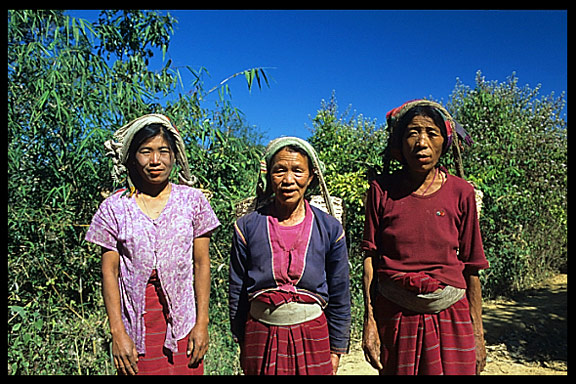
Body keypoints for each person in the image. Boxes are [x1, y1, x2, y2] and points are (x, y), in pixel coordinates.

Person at [85, 114, 220, 375]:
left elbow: (202, 264)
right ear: (132, 158)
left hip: (184, 322)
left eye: (163, 151)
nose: (155, 160)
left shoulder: (193, 201)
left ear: (174, 156)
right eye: (146, 151)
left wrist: (202, 323)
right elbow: (109, 273)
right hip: (137, 325)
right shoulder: (114, 208)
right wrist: (118, 333)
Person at [361, 100, 489, 375]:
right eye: (412, 133)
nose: (421, 142)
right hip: (395, 315)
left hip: (450, 316)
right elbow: (370, 258)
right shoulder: (381, 191)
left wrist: (478, 333)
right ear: (399, 141)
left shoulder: (461, 192)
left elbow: (472, 266)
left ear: (445, 141)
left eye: (432, 133)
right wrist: (370, 321)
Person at [229, 137, 351, 375]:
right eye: (279, 171)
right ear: (268, 176)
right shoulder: (247, 227)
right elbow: (237, 289)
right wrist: (242, 342)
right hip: (260, 334)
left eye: (297, 171)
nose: (288, 180)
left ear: (311, 177)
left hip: (313, 334)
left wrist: (336, 349)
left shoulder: (329, 228)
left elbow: (339, 292)